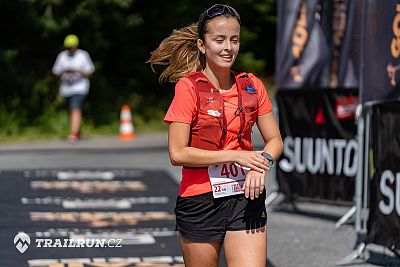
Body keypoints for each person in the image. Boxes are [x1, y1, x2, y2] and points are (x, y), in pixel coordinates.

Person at [148, 4, 283, 267]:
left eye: (234, 40)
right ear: (201, 45)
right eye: (219, 40)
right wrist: (236, 155)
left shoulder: (252, 85)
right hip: (200, 201)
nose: (228, 48)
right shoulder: (188, 88)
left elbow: (275, 140)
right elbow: (177, 153)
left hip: (246, 195)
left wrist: (261, 163)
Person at [52, 34, 95, 142]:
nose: (70, 49)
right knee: (71, 110)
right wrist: (64, 70)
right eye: (68, 47)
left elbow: (90, 71)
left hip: (80, 87)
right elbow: (55, 72)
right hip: (66, 88)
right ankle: (77, 131)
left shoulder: (83, 55)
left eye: (72, 47)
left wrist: (79, 71)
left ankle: (74, 133)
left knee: (75, 108)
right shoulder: (62, 56)